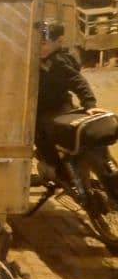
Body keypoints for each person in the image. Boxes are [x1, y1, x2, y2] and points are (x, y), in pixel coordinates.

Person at [34, 19, 106, 182]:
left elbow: (78, 82)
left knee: (38, 134)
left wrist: (89, 104)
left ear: (59, 42)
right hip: (50, 106)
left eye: (43, 43)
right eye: (36, 43)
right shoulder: (44, 58)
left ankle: (57, 170)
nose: (38, 48)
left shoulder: (58, 61)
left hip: (56, 107)